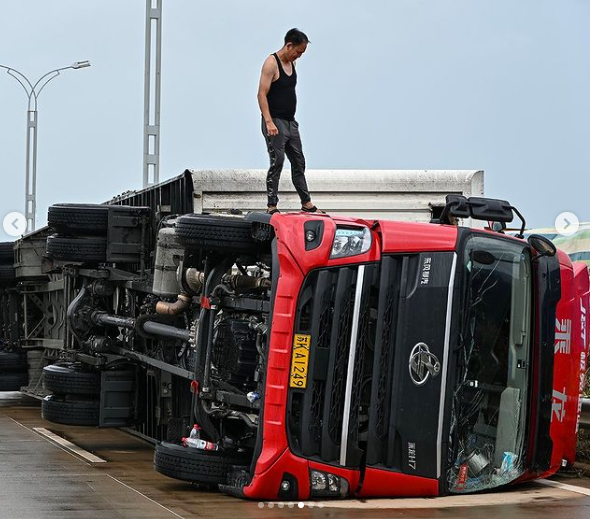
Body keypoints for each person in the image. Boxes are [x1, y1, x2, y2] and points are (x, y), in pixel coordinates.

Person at [257, 28, 323, 215]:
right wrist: (269, 122)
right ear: (288, 45)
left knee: (299, 161)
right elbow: (261, 94)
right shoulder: (272, 63)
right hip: (275, 121)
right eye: (298, 52)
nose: (299, 56)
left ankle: (306, 202)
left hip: (290, 122)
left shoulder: (293, 64)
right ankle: (272, 206)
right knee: (277, 161)